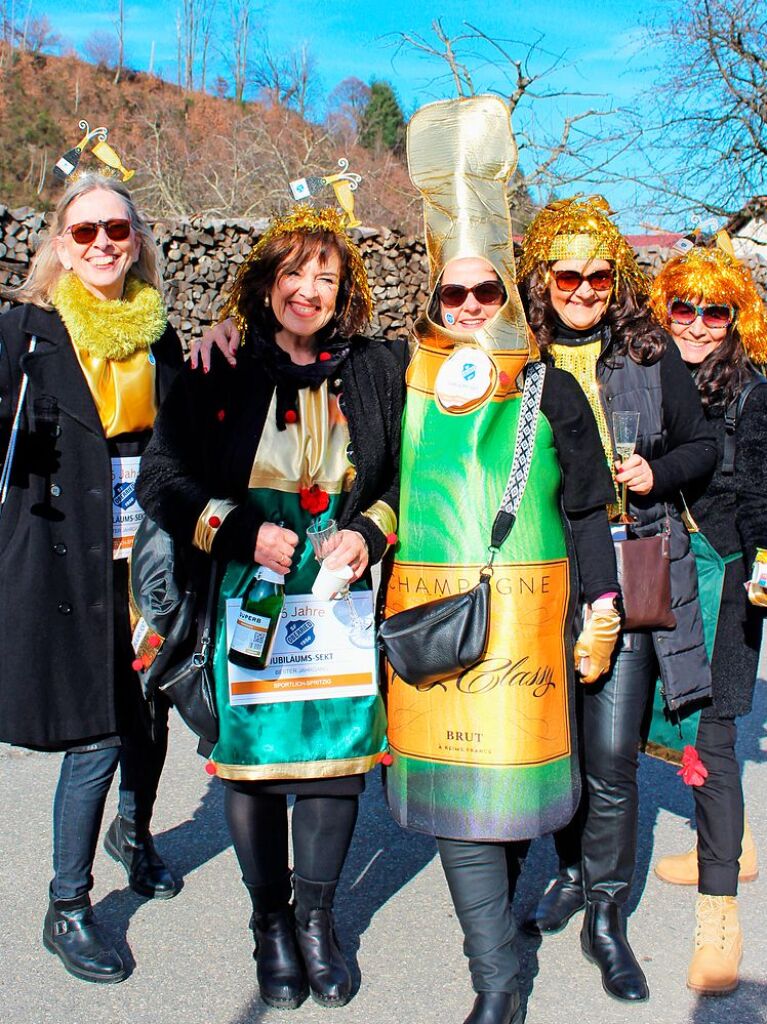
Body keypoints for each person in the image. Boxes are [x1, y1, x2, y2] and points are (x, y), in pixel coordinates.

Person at [382, 96, 621, 1024]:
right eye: (456, 293)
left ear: (508, 299)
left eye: (487, 292)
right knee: (456, 807)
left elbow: (588, 506)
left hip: (528, 622)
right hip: (437, 621)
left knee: (511, 795)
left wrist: (598, 599)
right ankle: (497, 980)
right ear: (435, 297)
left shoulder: (553, 388)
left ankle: (504, 937)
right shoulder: (396, 376)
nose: (472, 307)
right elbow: (305, 374)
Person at [136, 205, 403, 1010]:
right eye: (294, 273)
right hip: (245, 593)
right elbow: (162, 480)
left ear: (344, 291)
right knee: (251, 767)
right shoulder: (219, 366)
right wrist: (240, 532)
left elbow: (397, 481)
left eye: (326, 277)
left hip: (336, 597)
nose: (309, 290)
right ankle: (269, 925)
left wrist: (366, 532)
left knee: (339, 760)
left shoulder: (375, 368)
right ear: (266, 281)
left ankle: (317, 917)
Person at [517, 197, 718, 1002]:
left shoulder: (645, 351)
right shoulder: (513, 353)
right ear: (542, 278)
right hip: (539, 575)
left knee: (608, 756)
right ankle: (570, 871)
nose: (584, 288)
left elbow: (703, 443)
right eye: (567, 274)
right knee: (558, 747)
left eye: (598, 275)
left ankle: (607, 915)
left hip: (628, 567)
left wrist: (655, 474)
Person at [0, 171, 183, 984]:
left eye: (118, 230)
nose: (105, 244)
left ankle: (134, 835)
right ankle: (67, 905)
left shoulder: (161, 336)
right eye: (86, 232)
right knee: (96, 734)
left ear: (137, 239)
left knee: (150, 715)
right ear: (60, 248)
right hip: (62, 560)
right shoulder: (23, 334)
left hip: (145, 564)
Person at [648, 240, 767, 994]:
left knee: (713, 730)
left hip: (726, 581)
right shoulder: (647, 375)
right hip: (659, 571)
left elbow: (761, 493)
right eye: (681, 309)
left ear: (735, 317)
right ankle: (726, 841)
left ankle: (719, 914)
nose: (694, 325)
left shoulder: (752, 393)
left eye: (712, 312)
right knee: (662, 717)